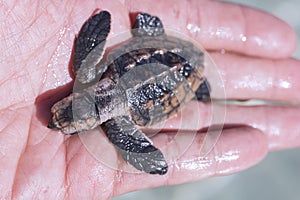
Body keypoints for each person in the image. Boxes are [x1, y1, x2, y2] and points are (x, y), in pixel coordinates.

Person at [0, 0, 299, 199]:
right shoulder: (95, 79)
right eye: (66, 117)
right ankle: (154, 36)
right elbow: (98, 26)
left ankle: (188, 76)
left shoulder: (115, 120)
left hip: (180, 70)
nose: (57, 119)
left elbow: (97, 28)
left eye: (64, 114)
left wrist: (151, 160)